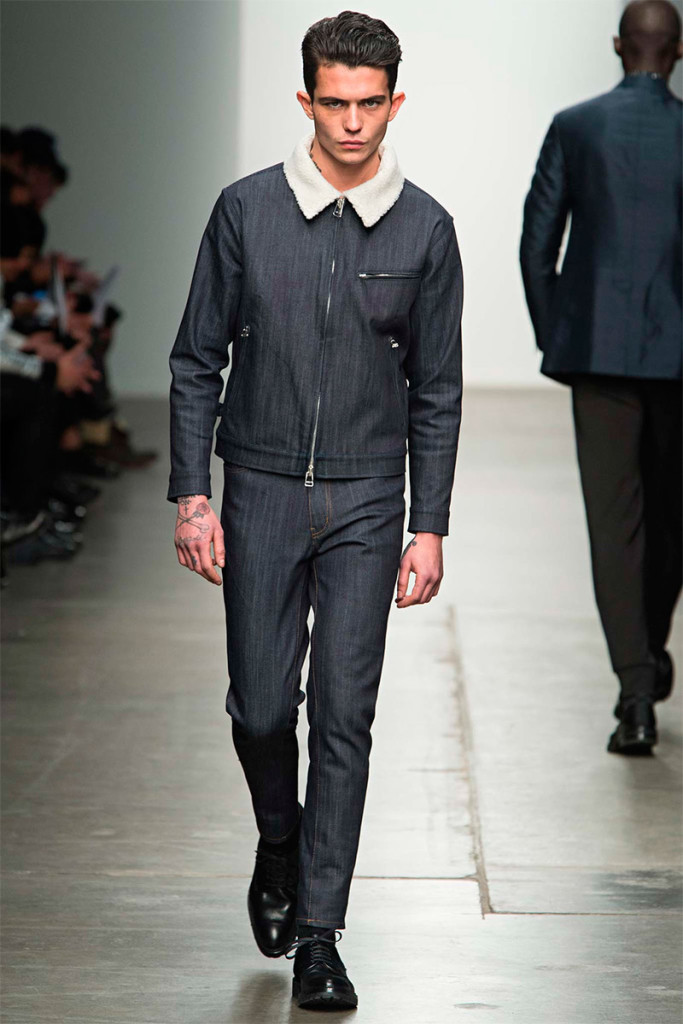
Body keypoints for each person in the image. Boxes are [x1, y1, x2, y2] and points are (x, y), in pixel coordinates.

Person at [168, 10, 463, 1011]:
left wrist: (429, 523)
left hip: (369, 497)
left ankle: (320, 937)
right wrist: (193, 495)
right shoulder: (244, 212)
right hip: (255, 486)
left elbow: (437, 386)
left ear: (394, 102)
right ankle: (278, 838)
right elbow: (195, 358)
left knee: (344, 713)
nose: (350, 123)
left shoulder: (424, 228)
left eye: (368, 104)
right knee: (259, 706)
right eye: (333, 103)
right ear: (305, 100)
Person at [520, 0, 682, 756]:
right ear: (676, 52)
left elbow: (536, 245)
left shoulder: (575, 126)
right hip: (680, 358)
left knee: (614, 524)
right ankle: (648, 653)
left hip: (597, 354)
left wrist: (558, 335)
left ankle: (635, 692)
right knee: (672, 517)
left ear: (619, 46)